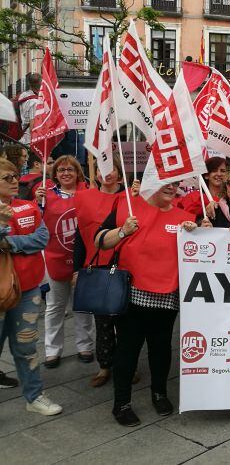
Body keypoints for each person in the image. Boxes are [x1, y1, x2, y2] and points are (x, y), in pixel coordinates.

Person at [96, 183, 197, 426]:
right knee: (128, 350)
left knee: (161, 349)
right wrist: (122, 231)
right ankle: (121, 403)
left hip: (167, 295)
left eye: (174, 184)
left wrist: (198, 231)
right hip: (133, 294)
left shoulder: (186, 217)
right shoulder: (127, 207)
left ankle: (159, 393)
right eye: (164, 183)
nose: (171, 188)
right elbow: (99, 240)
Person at [0, 158, 62, 415]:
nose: (15, 182)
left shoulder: (28, 206)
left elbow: (42, 238)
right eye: (8, 178)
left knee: (26, 346)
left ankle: (34, 396)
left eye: (15, 176)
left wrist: (9, 243)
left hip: (28, 290)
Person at [73, 155, 128, 388]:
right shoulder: (85, 199)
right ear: (95, 174)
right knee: (103, 321)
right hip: (97, 267)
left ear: (118, 171)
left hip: (126, 266)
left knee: (126, 323)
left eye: (111, 168)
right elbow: (80, 235)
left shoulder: (130, 198)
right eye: (102, 169)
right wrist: (77, 268)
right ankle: (105, 366)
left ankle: (127, 365)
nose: (107, 174)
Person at [36, 155, 93, 368]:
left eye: (70, 169)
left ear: (78, 172)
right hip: (55, 258)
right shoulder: (45, 196)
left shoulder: (88, 193)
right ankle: (52, 350)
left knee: (83, 306)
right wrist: (36, 203)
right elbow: (36, 221)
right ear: (55, 174)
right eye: (61, 170)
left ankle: (85, 345)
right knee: (54, 307)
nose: (66, 173)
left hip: (83, 260)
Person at [18, 72, 41, 145]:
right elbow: (33, 124)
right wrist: (35, 142)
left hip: (21, 136)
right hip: (29, 140)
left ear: (29, 83)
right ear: (41, 84)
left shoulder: (23, 95)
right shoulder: (34, 102)